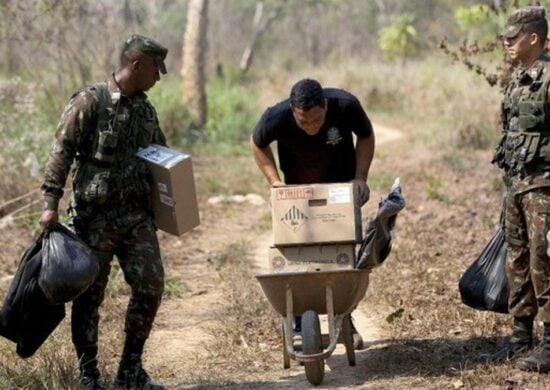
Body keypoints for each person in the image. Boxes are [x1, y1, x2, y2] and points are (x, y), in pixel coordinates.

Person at [39, 34, 169, 389]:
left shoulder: (145, 108)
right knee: (89, 297)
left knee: (151, 286)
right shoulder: (89, 101)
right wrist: (50, 206)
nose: (159, 76)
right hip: (93, 220)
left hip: (137, 218)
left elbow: (161, 155)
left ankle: (130, 370)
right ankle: (88, 374)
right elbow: (61, 153)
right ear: (136, 65)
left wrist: (171, 203)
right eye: (156, 69)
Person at [250, 78, 375, 348]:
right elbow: (256, 142)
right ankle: (297, 326)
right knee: (298, 256)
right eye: (303, 122)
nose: (311, 128)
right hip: (298, 193)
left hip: (339, 191)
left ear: (325, 106)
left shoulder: (346, 105)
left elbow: (366, 134)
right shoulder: (277, 116)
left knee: (340, 257)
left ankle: (343, 321)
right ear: (293, 111)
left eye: (317, 121)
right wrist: (274, 182)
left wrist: (361, 178)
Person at [489, 6, 550, 373]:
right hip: (515, 184)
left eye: (513, 38)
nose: (507, 43)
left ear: (533, 37)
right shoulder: (518, 77)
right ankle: (521, 337)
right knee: (518, 259)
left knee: (544, 260)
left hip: (544, 185)